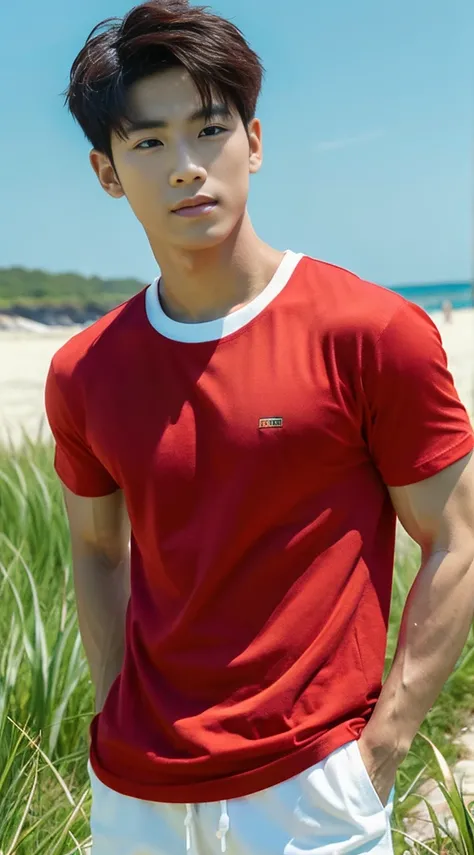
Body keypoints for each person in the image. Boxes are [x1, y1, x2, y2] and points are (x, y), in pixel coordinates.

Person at [44, 2, 474, 853]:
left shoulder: (369, 330)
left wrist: (379, 750)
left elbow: (457, 540)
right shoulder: (85, 370)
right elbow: (97, 550)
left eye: (210, 129)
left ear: (256, 142)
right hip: (136, 793)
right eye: (149, 142)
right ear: (106, 171)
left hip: (314, 789)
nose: (187, 167)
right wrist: (111, 705)